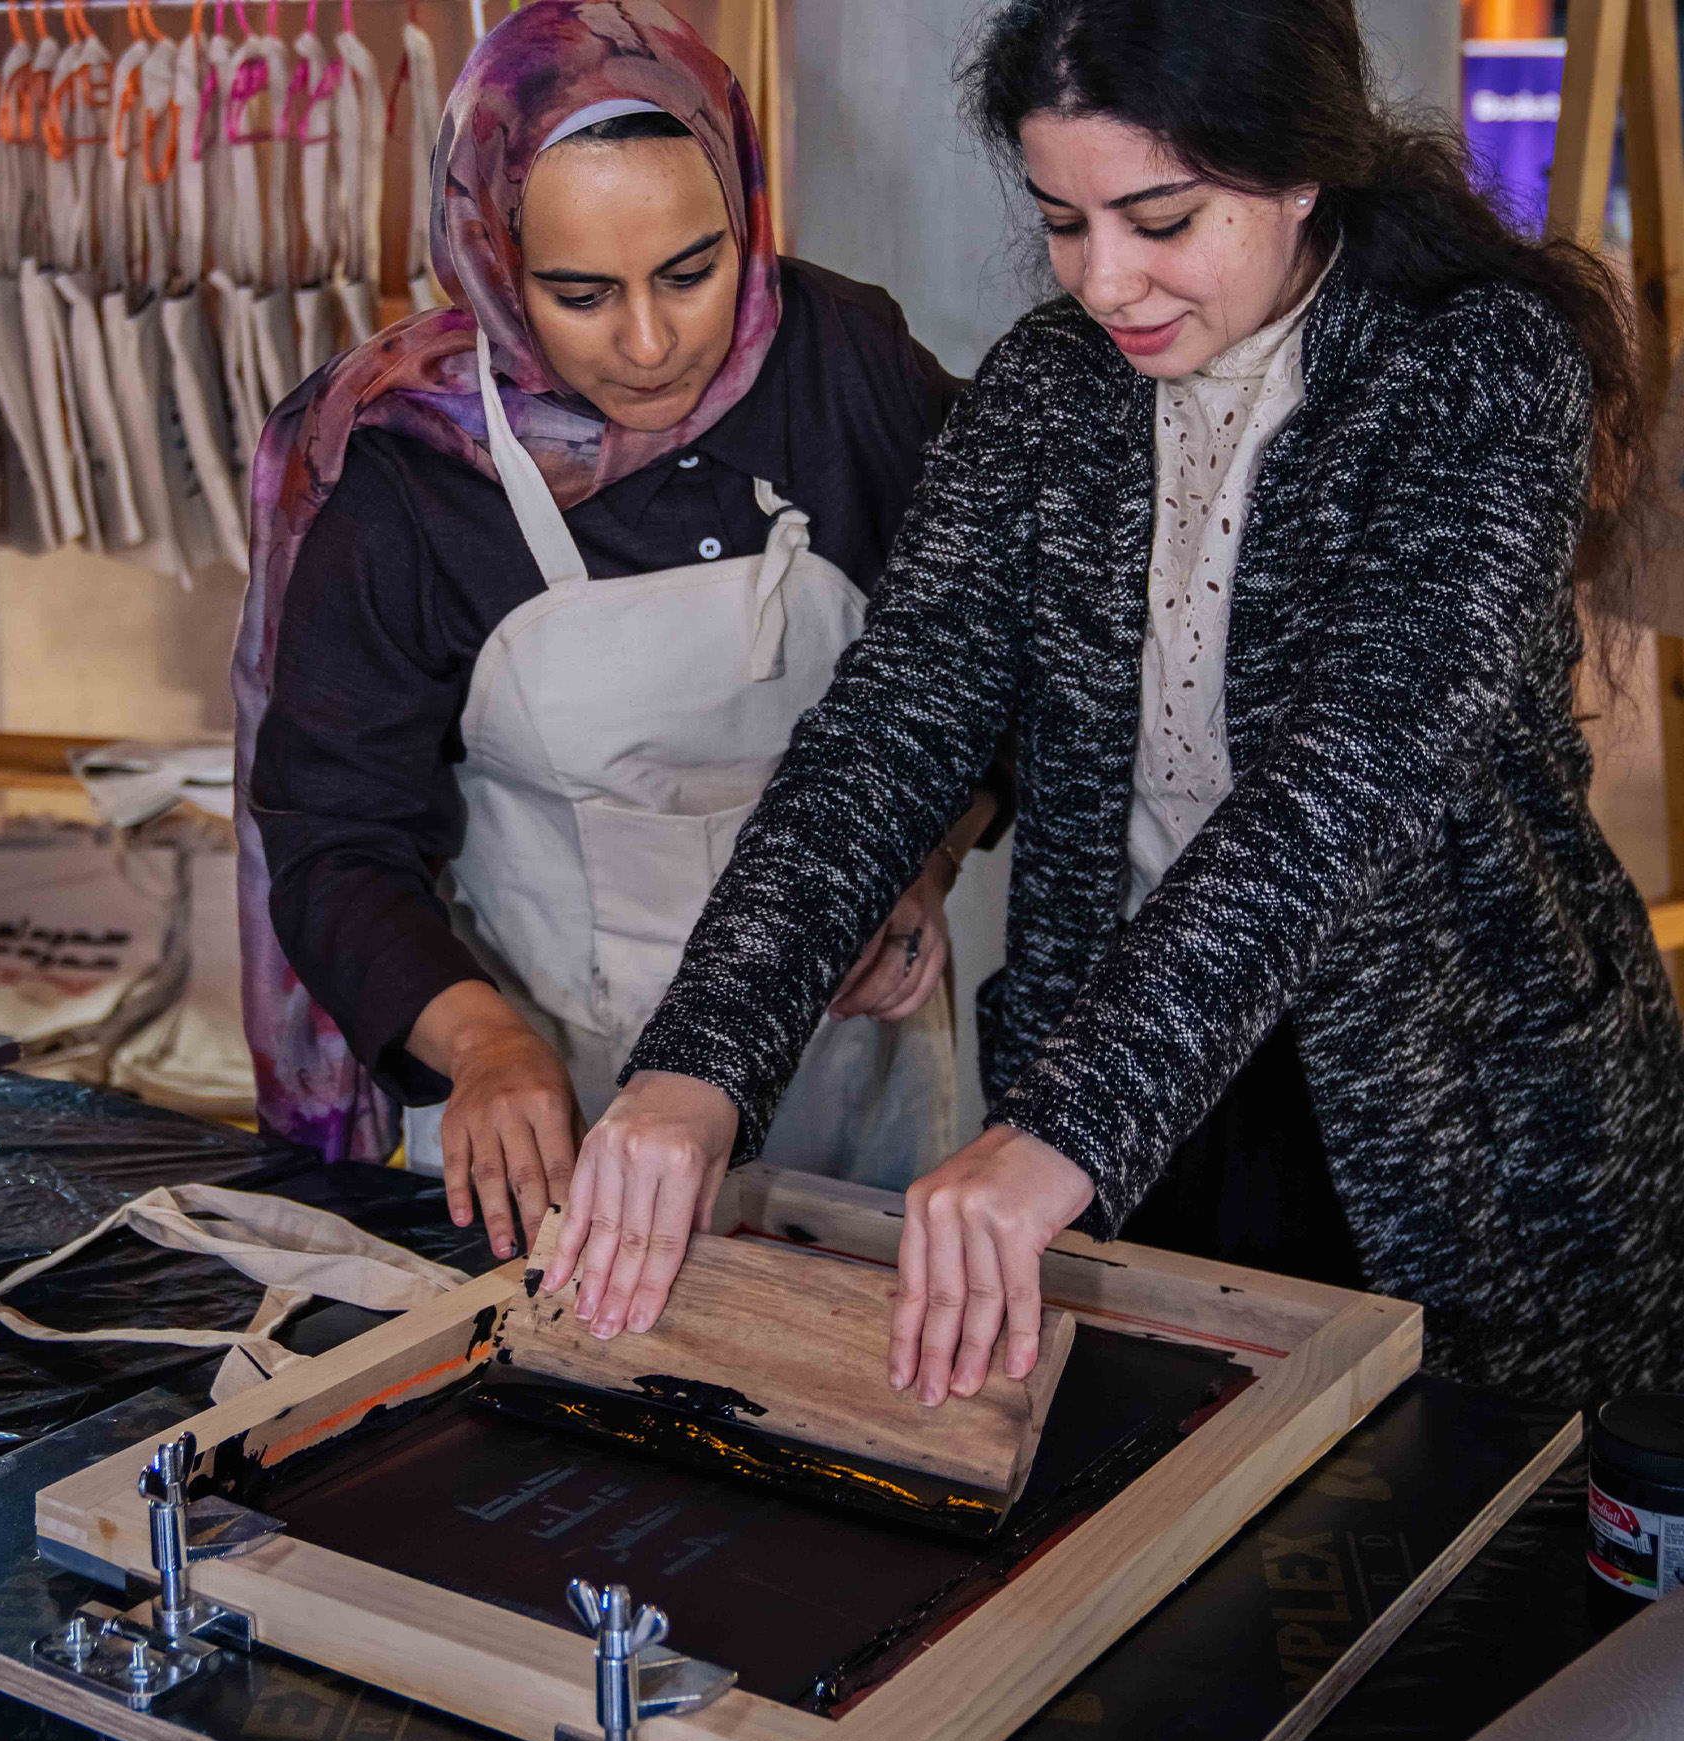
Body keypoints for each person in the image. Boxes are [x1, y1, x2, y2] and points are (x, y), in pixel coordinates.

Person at [546, 0, 1684, 1411]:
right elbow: (887, 728)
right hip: (1134, 1085)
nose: (1105, 282)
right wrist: (698, 1067)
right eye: (1065, 222)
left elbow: (1341, 790)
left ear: (1301, 165)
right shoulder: (1051, 393)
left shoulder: (1477, 367)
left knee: (1458, 1547)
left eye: (1162, 218)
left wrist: (1056, 1128)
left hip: (1447, 1092)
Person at [236, 0, 1003, 1263]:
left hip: (852, 1067)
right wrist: (479, 1043)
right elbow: (332, 838)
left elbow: (992, 665)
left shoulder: (847, 365)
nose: (651, 346)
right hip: (552, 1102)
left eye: (692, 274)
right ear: (491, 257)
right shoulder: (407, 473)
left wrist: (928, 864)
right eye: (581, 293)